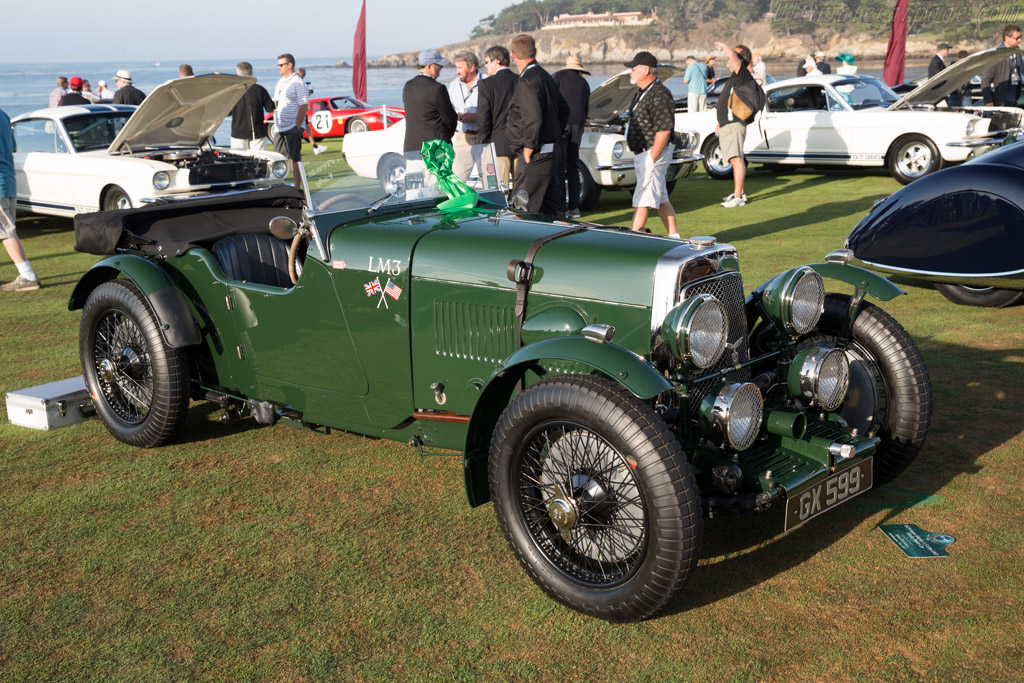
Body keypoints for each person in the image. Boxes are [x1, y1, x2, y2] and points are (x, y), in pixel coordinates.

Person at [505, 33, 570, 217]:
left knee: (522, 211)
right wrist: (554, 132)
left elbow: (533, 119)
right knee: (553, 211)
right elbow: (564, 109)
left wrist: (529, 146)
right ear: (535, 51)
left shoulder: (527, 80)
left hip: (536, 154)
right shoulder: (545, 76)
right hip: (552, 151)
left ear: (513, 54)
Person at [623, 52, 679, 237]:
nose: (631, 71)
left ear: (646, 69)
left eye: (634, 68)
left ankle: (631, 242)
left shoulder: (660, 93)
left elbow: (664, 130)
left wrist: (652, 158)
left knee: (642, 199)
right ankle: (675, 237)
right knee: (661, 198)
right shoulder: (642, 92)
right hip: (645, 152)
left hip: (653, 152)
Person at [1, 108, 40, 292]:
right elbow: (14, 147)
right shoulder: (4, 115)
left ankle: (28, 276)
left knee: (6, 233)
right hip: (8, 180)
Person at [715, 41, 756, 208]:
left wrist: (724, 46)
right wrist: (720, 122)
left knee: (736, 159)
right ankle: (741, 193)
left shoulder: (742, 74)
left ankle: (738, 196)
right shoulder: (735, 77)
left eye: (734, 57)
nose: (729, 59)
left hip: (734, 124)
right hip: (727, 123)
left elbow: (733, 55)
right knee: (734, 158)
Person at [553, 55, 590, 218]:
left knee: (560, 166)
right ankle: (574, 208)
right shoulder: (585, 83)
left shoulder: (559, 77)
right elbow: (585, 108)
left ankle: (560, 206)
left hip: (562, 124)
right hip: (578, 125)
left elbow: (552, 99)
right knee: (573, 167)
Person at [477, 45, 517, 193]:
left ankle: (501, 216)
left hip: (497, 144)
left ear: (497, 61)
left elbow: (483, 116)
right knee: (522, 192)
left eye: (487, 62)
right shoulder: (520, 80)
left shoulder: (487, 84)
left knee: (500, 190)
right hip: (520, 141)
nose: (485, 66)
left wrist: (483, 141)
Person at [402, 49, 457, 153]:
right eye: (438, 65)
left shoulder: (408, 86)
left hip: (412, 148)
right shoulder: (438, 88)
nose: (441, 67)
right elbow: (450, 119)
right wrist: (446, 135)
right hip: (436, 150)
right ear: (429, 66)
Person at [273, 53, 310, 189]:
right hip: (279, 127)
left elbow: (303, 105)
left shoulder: (298, 83)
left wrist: (297, 126)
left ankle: (298, 187)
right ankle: (278, 185)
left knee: (295, 159)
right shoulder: (281, 82)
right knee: (277, 159)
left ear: (290, 65)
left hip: (292, 127)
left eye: (281, 65)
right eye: (278, 65)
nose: (279, 68)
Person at [448, 51, 486, 181]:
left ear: (472, 67)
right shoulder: (453, 85)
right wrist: (455, 115)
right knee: (457, 181)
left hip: (484, 138)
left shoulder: (487, 82)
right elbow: (449, 109)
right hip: (462, 138)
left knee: (488, 180)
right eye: (456, 68)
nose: (457, 71)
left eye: (460, 68)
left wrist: (476, 116)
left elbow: (496, 110)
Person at [230, 62, 276, 151]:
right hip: (257, 133)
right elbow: (271, 110)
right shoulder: (260, 90)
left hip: (238, 134)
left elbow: (226, 112)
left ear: (237, 74)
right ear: (251, 73)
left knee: (239, 162)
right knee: (260, 162)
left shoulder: (232, 92)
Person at [981, 25, 1023, 107]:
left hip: (1013, 99)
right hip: (1000, 101)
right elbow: (985, 80)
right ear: (1007, 38)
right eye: (1017, 38)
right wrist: (988, 101)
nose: (1019, 40)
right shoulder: (996, 55)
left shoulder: (1018, 54)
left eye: (1020, 37)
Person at [294, 67, 325, 154]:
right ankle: (297, 150)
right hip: (301, 110)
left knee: (307, 129)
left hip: (300, 110)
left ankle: (315, 147)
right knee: (300, 130)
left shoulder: (297, 83)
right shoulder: (300, 84)